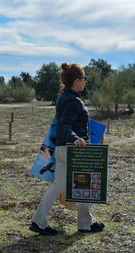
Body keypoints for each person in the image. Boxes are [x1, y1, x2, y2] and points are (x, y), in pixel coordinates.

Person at [29, 63, 105, 236]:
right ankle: (85, 224)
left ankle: (38, 222)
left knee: (59, 186)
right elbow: (64, 126)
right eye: (84, 78)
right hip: (75, 150)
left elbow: (64, 125)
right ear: (77, 81)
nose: (85, 81)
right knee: (85, 183)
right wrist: (75, 138)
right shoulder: (72, 100)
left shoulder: (64, 97)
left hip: (65, 149)